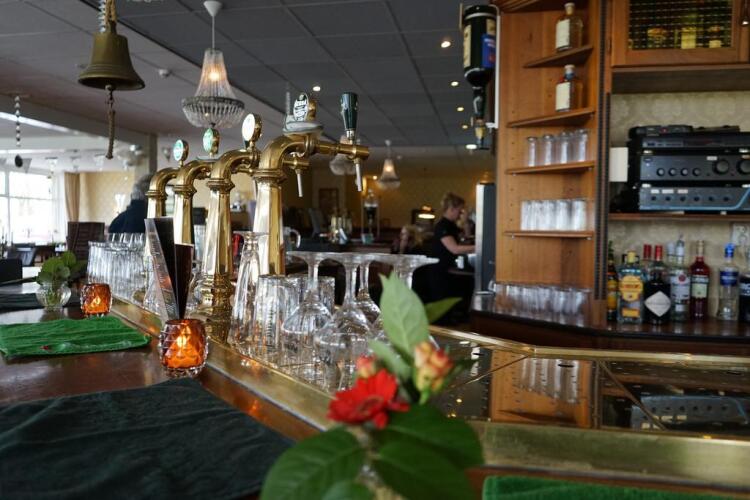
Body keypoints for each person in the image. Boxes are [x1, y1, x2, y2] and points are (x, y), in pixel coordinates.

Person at [429, 193, 476, 321]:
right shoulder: (442, 226)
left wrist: (466, 224)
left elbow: (464, 240)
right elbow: (454, 248)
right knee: (441, 306)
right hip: (438, 270)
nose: (460, 214)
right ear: (451, 209)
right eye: (459, 211)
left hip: (447, 269)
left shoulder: (451, 225)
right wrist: (478, 247)